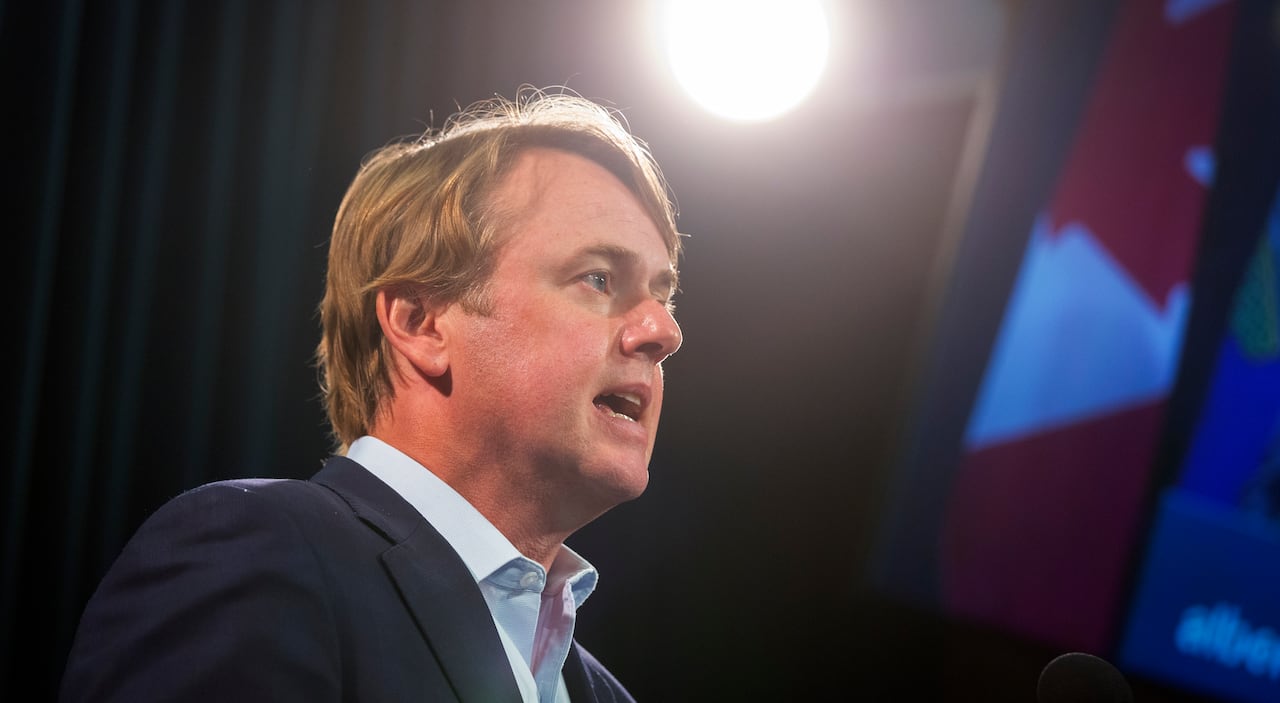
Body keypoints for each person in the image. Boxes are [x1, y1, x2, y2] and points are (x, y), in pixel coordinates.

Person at [60, 90, 684, 702]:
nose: (663, 332)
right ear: (420, 323)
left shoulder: (604, 694)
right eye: (598, 278)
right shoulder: (257, 556)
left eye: (663, 295)